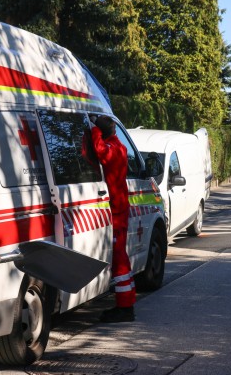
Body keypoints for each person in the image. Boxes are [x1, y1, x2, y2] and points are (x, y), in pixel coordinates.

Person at [91, 115, 136, 323]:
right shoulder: (120, 146)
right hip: (119, 207)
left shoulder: (112, 149)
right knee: (121, 256)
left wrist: (93, 131)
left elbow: (100, 151)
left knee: (118, 257)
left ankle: (125, 307)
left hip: (116, 209)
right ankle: (127, 302)